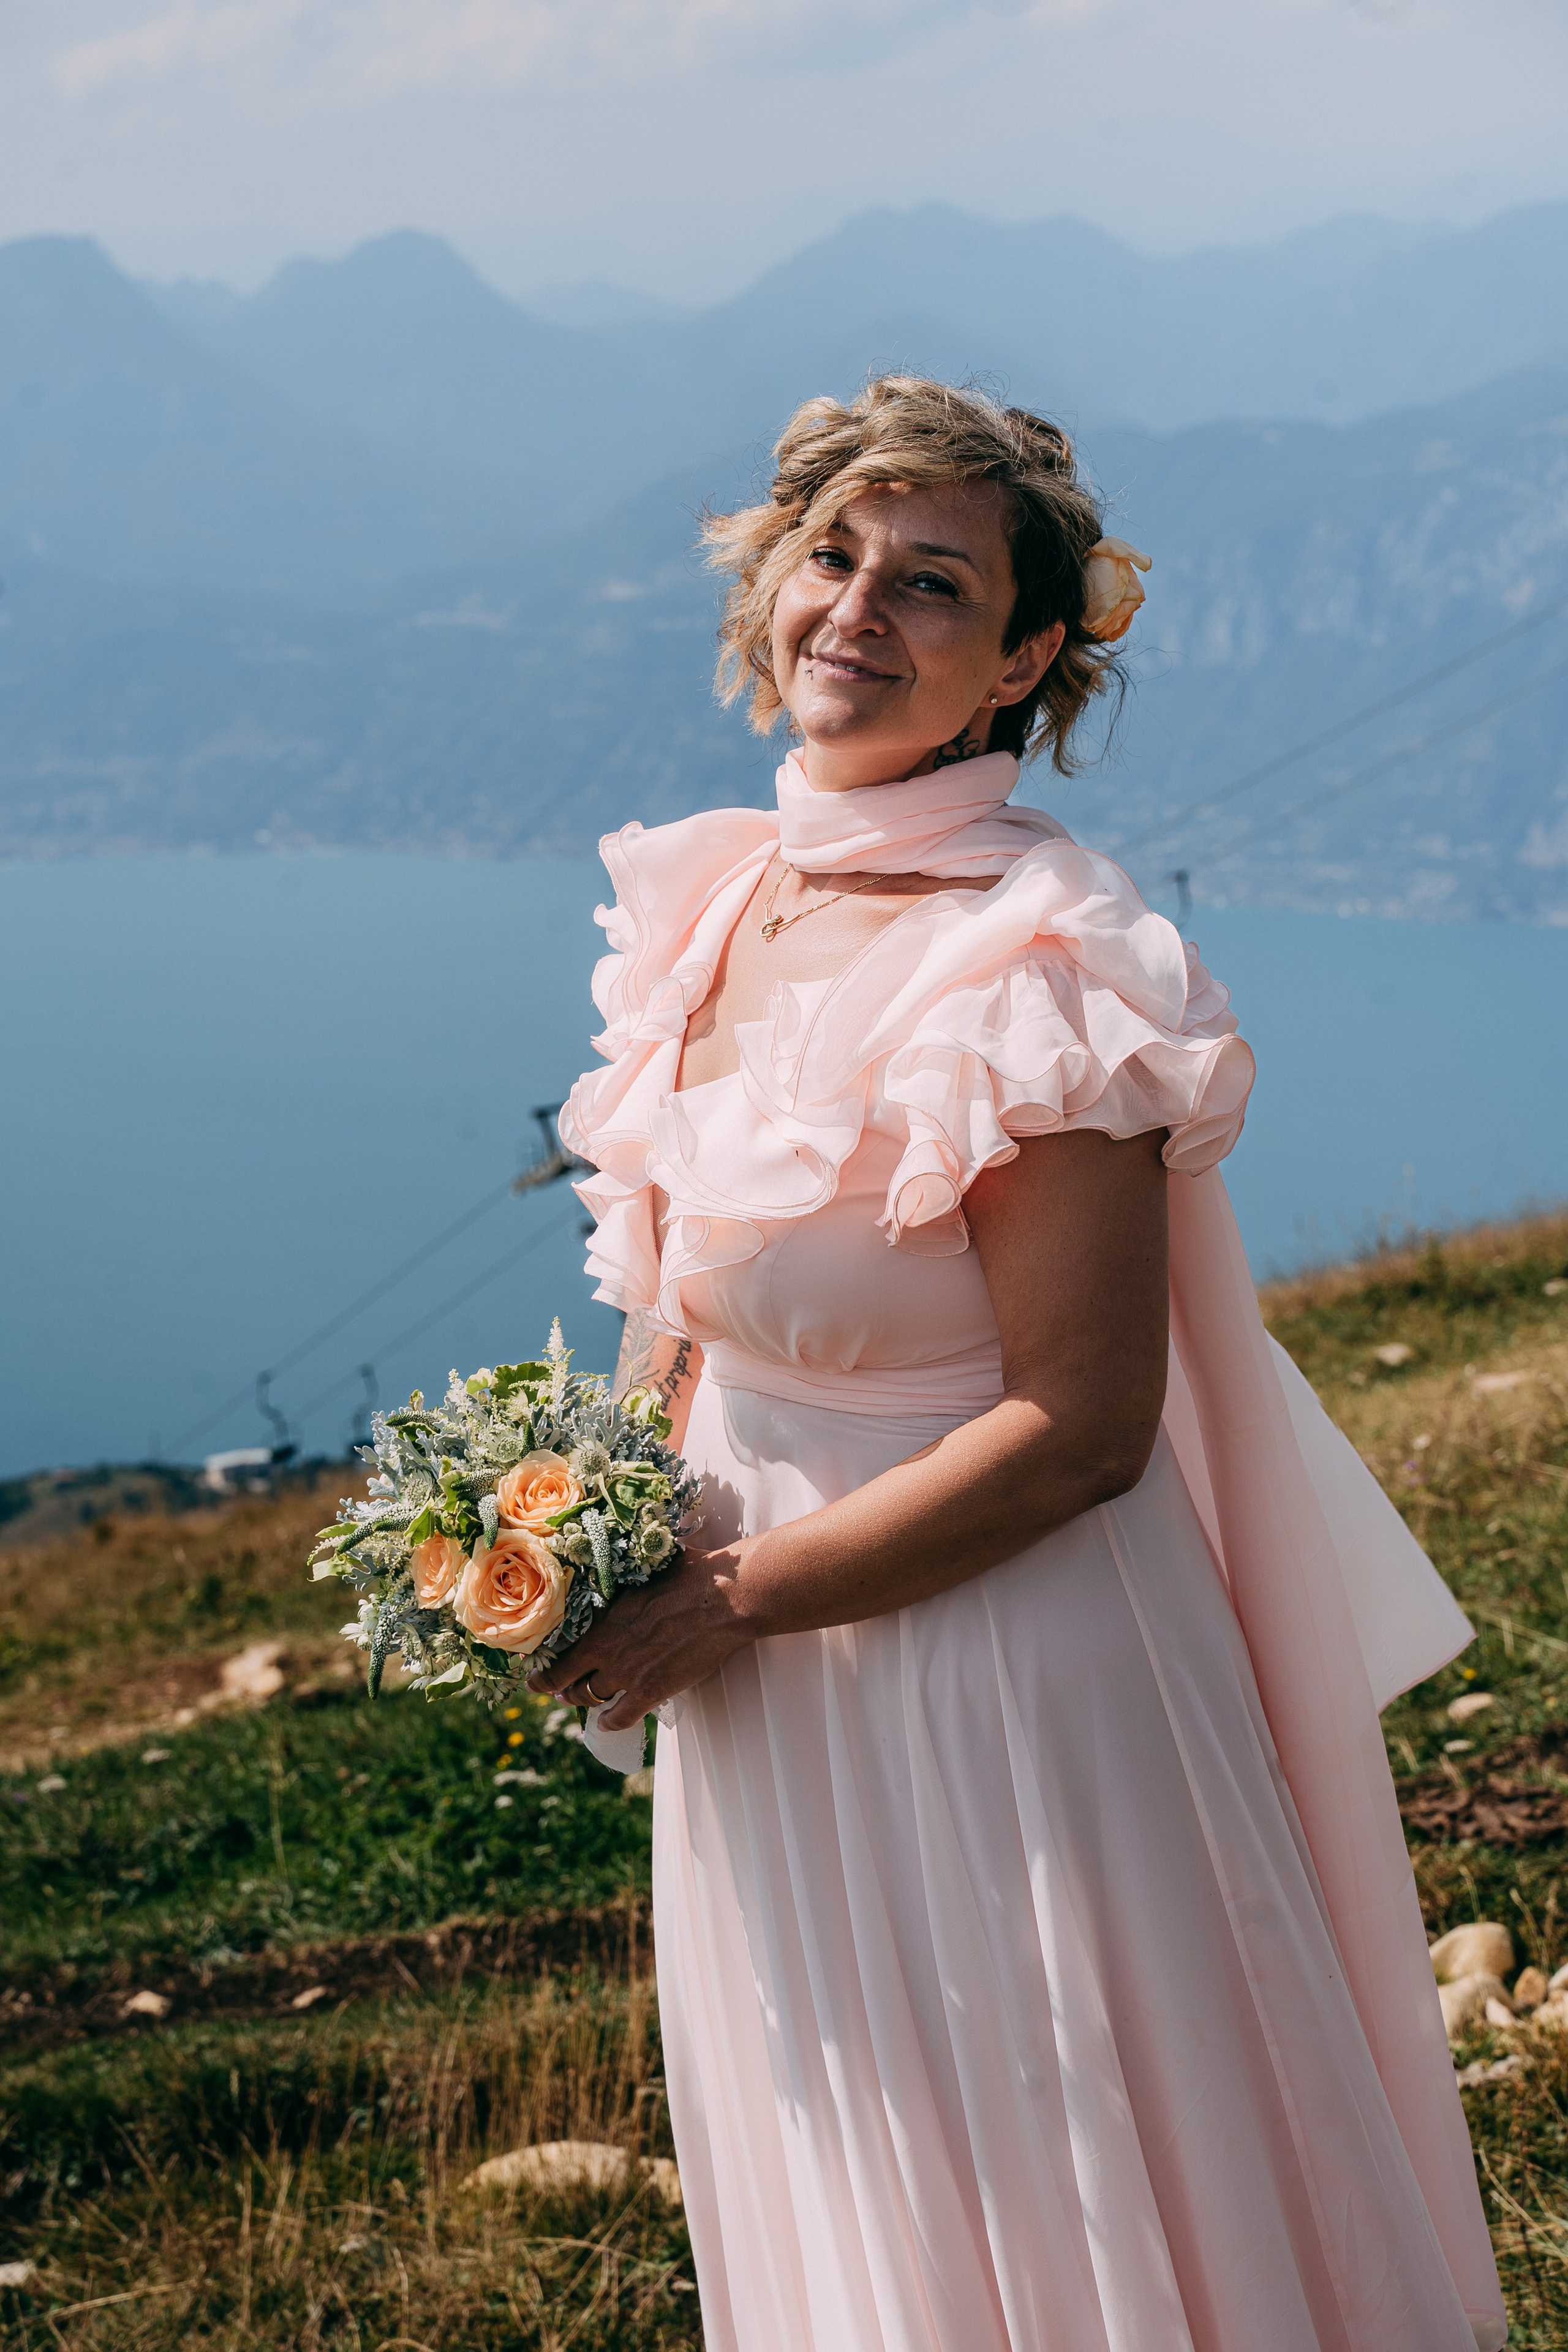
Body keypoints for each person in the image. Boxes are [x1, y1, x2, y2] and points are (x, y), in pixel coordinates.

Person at [534, 377, 1506, 2352]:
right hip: (758, 1694)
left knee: (1052, 2190)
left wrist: (727, 1601)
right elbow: (690, 1293)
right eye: (833, 556)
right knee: (851, 2171)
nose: (857, 613)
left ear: (1025, 661)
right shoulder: (721, 903)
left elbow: (1084, 1431)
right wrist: (571, 1517)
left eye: (935, 586)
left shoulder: (1039, 963)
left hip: (1000, 1681)